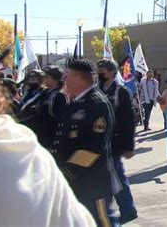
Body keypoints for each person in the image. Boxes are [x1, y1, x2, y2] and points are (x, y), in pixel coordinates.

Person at [0, 15, 95, 226]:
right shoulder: (29, 108)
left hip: (51, 147)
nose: (36, 80)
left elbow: (63, 123)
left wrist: (59, 153)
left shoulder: (20, 149)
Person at [53, 58, 120, 226]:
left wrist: (66, 172)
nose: (64, 80)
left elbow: (92, 148)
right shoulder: (77, 101)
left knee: (102, 222)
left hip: (93, 182)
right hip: (79, 180)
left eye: (67, 76)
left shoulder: (96, 103)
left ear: (79, 78)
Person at [97, 59, 138, 224]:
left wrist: (129, 146)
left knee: (117, 178)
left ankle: (127, 209)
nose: (100, 73)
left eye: (103, 70)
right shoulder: (97, 90)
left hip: (114, 143)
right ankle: (109, 211)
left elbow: (129, 121)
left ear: (112, 72)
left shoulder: (121, 91)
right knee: (106, 178)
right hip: (99, 143)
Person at [19, 65, 69, 150]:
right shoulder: (44, 92)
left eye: (47, 77)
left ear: (56, 78)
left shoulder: (59, 95)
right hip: (41, 134)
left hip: (51, 137)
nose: (44, 79)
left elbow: (58, 119)